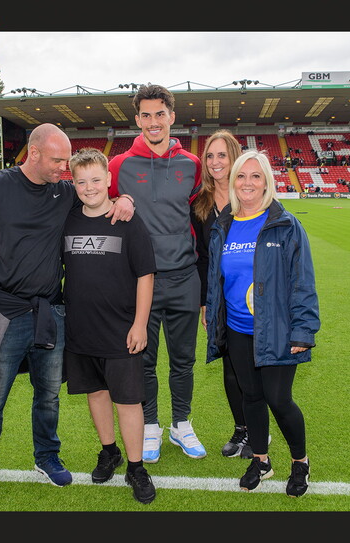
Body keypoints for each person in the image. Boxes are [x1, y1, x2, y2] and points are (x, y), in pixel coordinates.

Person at [0, 123, 133, 507]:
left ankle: (46, 456)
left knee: (48, 396)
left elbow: (98, 201)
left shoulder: (64, 191)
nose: (64, 167)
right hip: (4, 312)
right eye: (57, 160)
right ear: (34, 152)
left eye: (67, 160)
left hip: (51, 311)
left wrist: (125, 198)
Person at [204, 150, 320, 497]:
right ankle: (261, 460)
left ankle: (300, 463)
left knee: (279, 399)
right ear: (233, 181)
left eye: (256, 176)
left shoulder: (285, 224)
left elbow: (302, 280)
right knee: (251, 397)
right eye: (241, 176)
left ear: (267, 181)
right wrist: (213, 314)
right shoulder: (224, 224)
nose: (248, 183)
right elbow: (217, 278)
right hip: (237, 329)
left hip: (278, 329)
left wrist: (303, 330)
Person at [108, 83, 205, 463]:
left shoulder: (191, 164)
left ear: (172, 117)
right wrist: (120, 198)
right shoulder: (119, 165)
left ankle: (181, 424)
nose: (153, 122)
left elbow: (201, 216)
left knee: (183, 360)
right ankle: (150, 426)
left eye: (160, 114)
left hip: (184, 277)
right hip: (139, 282)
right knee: (143, 360)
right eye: (146, 115)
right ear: (137, 120)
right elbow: (99, 201)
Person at [62, 147, 158, 504]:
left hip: (121, 330)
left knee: (128, 401)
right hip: (80, 329)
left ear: (109, 180)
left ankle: (136, 467)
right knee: (96, 393)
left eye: (95, 180)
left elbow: (145, 275)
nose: (89, 188)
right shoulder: (68, 220)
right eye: (81, 182)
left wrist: (140, 324)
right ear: (74, 184)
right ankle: (109, 451)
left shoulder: (128, 221)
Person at [190, 129, 257, 459]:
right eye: (210, 156)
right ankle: (241, 429)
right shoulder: (199, 203)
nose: (215, 162)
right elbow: (202, 257)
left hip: (252, 297)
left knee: (254, 367)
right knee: (230, 367)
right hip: (220, 299)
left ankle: (258, 430)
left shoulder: (248, 195)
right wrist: (205, 301)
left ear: (234, 158)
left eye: (222, 155)